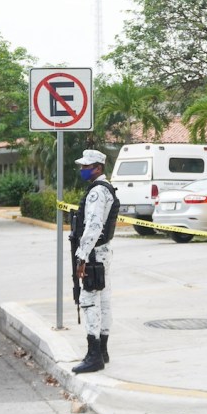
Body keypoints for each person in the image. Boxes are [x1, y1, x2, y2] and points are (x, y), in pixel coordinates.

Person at [71, 149, 118, 374]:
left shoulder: (97, 192)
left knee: (89, 299)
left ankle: (94, 355)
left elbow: (93, 226)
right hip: (103, 251)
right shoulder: (106, 188)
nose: (83, 170)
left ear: (98, 167)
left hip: (93, 253)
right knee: (104, 299)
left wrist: (81, 255)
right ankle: (103, 351)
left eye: (86, 166)